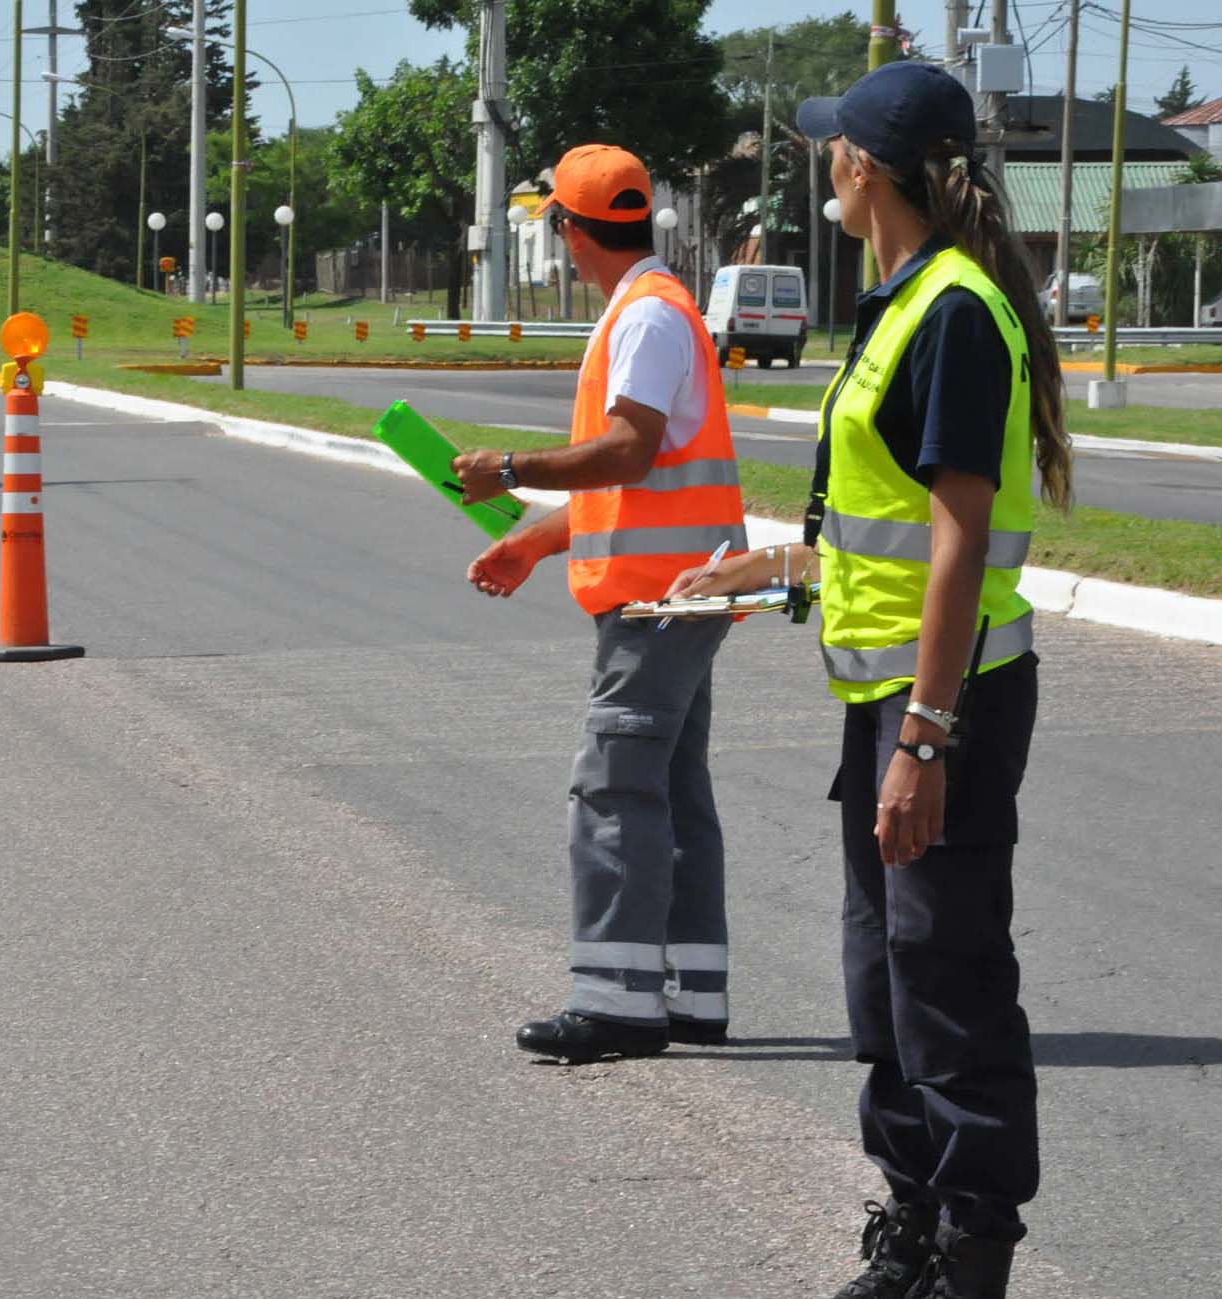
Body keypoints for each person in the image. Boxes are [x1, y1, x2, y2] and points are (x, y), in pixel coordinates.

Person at [666, 62, 1074, 1299]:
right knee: (884, 981)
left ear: (863, 167)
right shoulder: (898, 302)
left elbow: (959, 535)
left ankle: (970, 1251)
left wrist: (926, 739)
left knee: (946, 978)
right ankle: (909, 1223)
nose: (820, 163)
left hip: (942, 700)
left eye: (829, 148)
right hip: (886, 696)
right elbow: (883, 517)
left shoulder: (952, 309)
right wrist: (774, 559)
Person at [452, 144, 746, 1063]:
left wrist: (507, 468)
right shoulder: (651, 308)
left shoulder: (646, 319)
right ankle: (690, 993)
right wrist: (534, 540)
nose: (566, 245)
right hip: (679, 593)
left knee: (616, 785)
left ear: (573, 231)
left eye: (560, 228)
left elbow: (626, 451)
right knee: (671, 787)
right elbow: (625, 483)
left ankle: (619, 1001)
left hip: (658, 604)